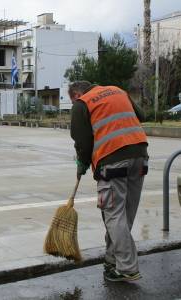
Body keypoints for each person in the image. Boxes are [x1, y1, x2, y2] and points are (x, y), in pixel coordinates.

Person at [68, 81, 148, 282]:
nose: (72, 106)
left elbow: (83, 142)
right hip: (140, 155)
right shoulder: (117, 90)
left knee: (113, 216)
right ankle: (113, 260)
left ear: (76, 94)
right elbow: (142, 115)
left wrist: (82, 162)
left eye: (71, 101)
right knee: (124, 215)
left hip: (112, 162)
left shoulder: (82, 103)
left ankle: (128, 268)